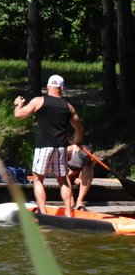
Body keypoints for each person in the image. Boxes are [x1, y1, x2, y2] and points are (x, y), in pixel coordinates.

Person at [13, 74, 83, 214]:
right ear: (62, 88)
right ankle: (69, 212)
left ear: (48, 86)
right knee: (63, 180)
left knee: (38, 179)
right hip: (61, 147)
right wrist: (76, 142)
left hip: (44, 145)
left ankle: (43, 213)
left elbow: (19, 115)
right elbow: (79, 129)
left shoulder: (39, 101)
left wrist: (18, 105)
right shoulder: (69, 107)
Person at [66, 143, 95, 210]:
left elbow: (85, 170)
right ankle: (70, 198)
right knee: (64, 172)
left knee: (88, 169)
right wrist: (73, 176)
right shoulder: (67, 151)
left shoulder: (92, 158)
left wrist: (79, 177)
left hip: (79, 175)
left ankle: (79, 200)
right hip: (67, 174)